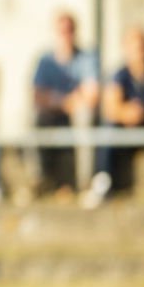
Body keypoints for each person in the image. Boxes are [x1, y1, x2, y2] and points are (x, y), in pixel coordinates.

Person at [81, 27, 144, 209]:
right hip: (126, 126)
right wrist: (128, 113)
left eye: (142, 47)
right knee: (107, 128)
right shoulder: (119, 74)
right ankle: (102, 180)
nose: (139, 52)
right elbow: (111, 107)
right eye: (134, 47)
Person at [31, 12, 100, 197]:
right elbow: (37, 96)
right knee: (33, 118)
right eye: (62, 31)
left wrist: (61, 100)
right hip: (54, 113)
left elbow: (91, 95)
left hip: (76, 113)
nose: (66, 36)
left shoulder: (87, 57)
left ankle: (85, 182)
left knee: (84, 116)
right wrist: (65, 101)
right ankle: (40, 179)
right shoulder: (45, 61)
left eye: (69, 31)